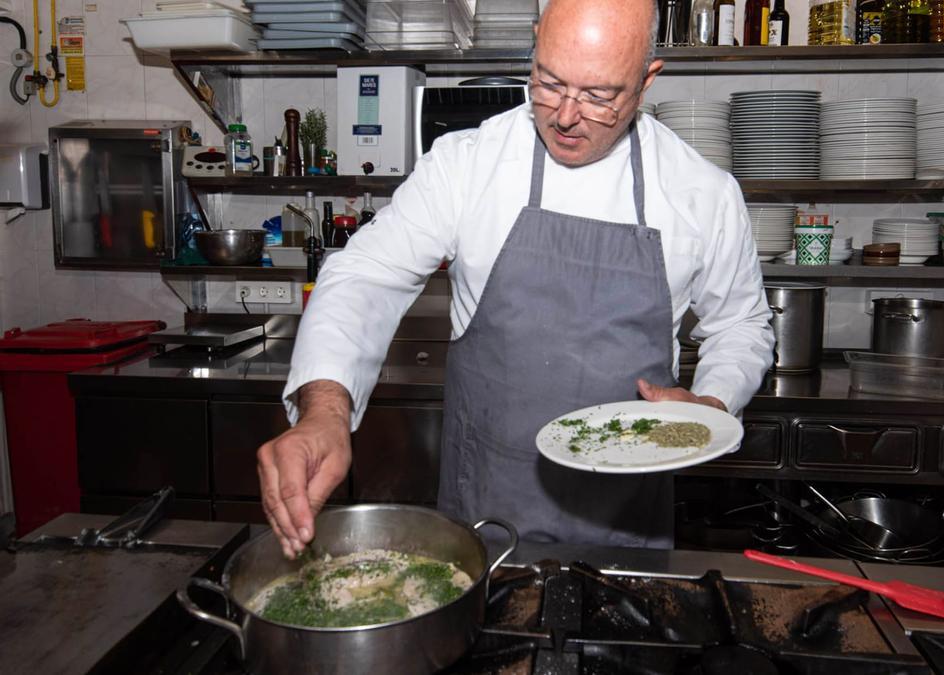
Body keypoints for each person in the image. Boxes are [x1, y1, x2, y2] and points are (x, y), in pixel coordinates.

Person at [257, 0, 774, 559]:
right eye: (548, 82)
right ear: (534, 44)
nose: (566, 116)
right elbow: (365, 275)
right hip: (485, 515)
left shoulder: (702, 192)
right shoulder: (468, 164)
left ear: (647, 80)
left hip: (627, 526)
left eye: (599, 96)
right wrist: (324, 414)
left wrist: (712, 402)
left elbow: (741, 325)